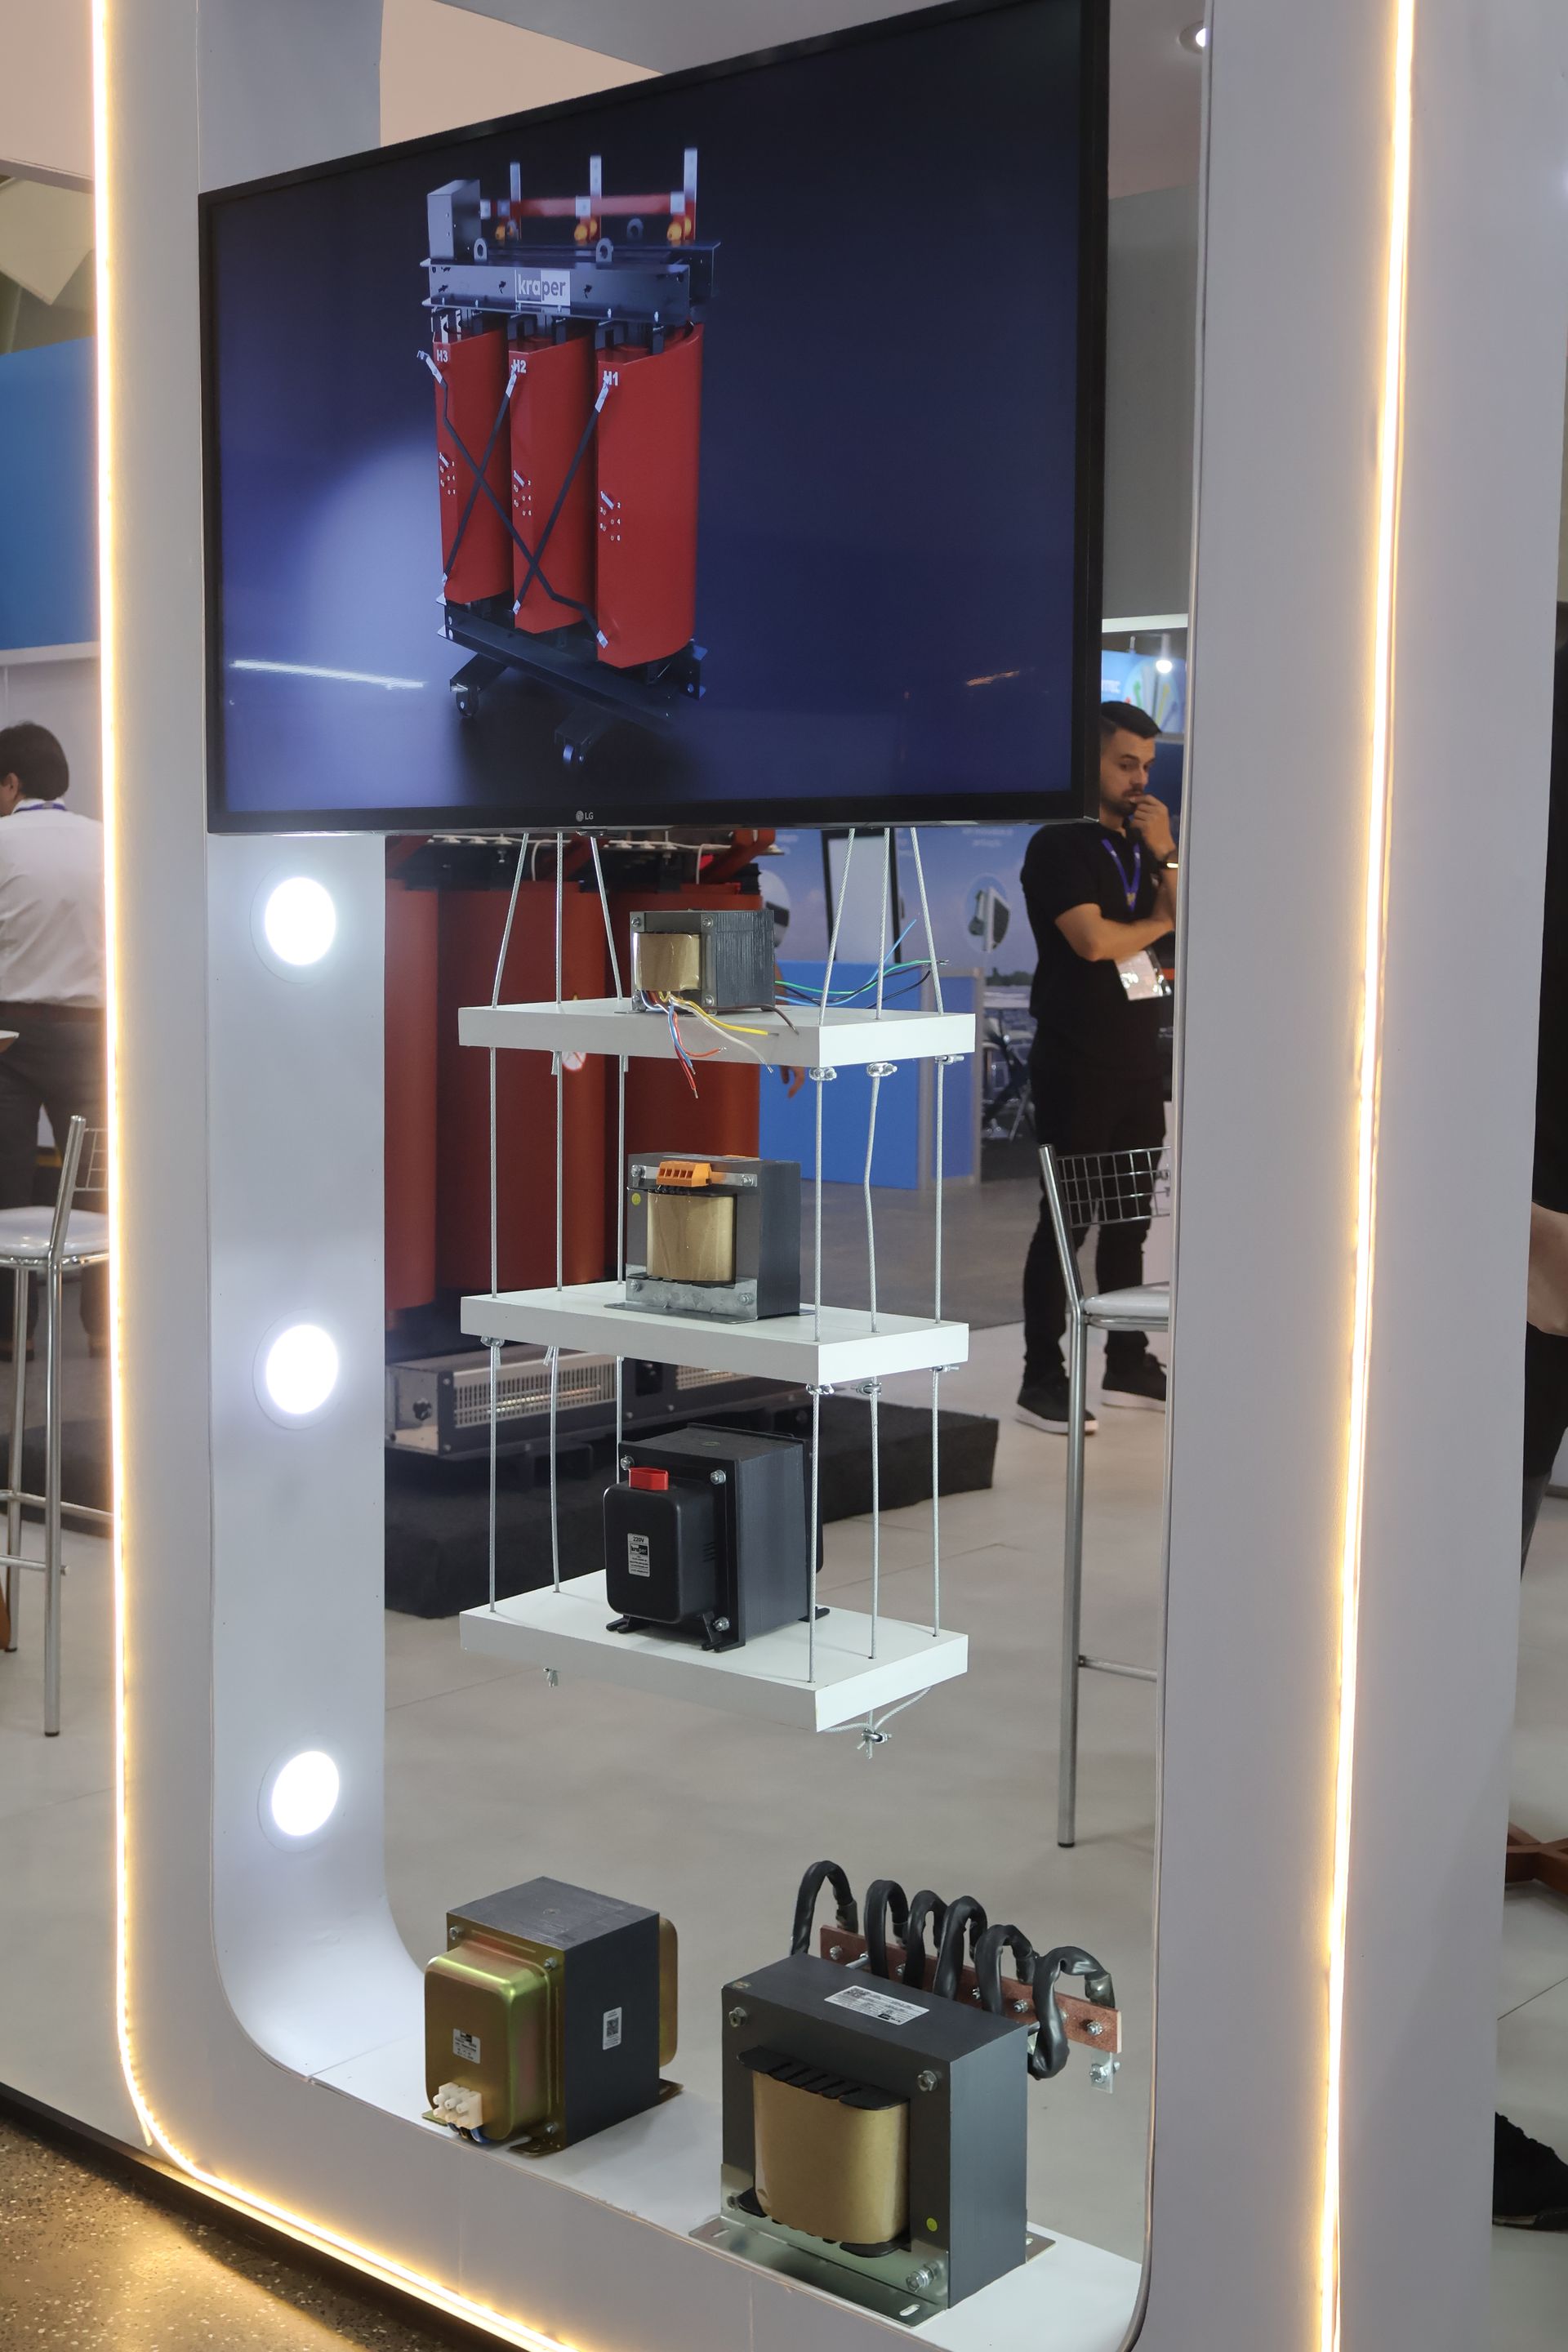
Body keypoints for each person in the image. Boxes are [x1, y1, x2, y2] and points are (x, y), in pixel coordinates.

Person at [1016, 702, 1176, 1433]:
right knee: (1066, 1221)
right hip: (1077, 1060)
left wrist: (1167, 854)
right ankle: (1041, 1377)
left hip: (1140, 1057)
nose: (1140, 778)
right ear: (1092, 762)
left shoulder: (1145, 845)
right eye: (1125, 763)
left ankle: (1128, 1363)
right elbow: (1091, 941)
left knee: (1131, 1221)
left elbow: (1185, 926)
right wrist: (1160, 922)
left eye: (1147, 765)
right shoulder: (1059, 844)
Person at [0, 723, 107, 1355]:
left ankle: (12, 1335)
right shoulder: (107, 842)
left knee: (5, 1192)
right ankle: (106, 1330)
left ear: (11, 783)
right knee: (100, 1188)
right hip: (91, 1038)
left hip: (8, 1037)